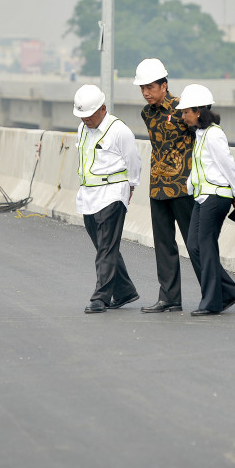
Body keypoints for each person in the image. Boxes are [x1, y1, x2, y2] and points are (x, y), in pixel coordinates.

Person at [176, 84, 235, 316]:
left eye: (186, 111)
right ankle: (228, 292)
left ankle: (212, 302)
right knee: (194, 245)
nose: (183, 115)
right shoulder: (201, 133)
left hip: (216, 197)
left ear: (198, 111)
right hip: (202, 196)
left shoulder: (214, 134)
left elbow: (229, 165)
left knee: (205, 247)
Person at [72, 84, 142, 313]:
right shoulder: (83, 129)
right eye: (81, 116)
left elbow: (134, 161)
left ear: (102, 109)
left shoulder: (119, 130)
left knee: (106, 248)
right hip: (89, 195)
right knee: (103, 245)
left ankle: (100, 297)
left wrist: (130, 188)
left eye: (89, 115)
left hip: (112, 193)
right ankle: (125, 291)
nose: (85, 120)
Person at [132, 58, 195, 314]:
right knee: (163, 244)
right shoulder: (146, 114)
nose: (146, 93)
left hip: (182, 186)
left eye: (150, 87)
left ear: (164, 85)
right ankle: (169, 298)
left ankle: (221, 293)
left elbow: (201, 139)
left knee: (196, 243)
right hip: (158, 187)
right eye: (142, 88)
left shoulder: (184, 108)